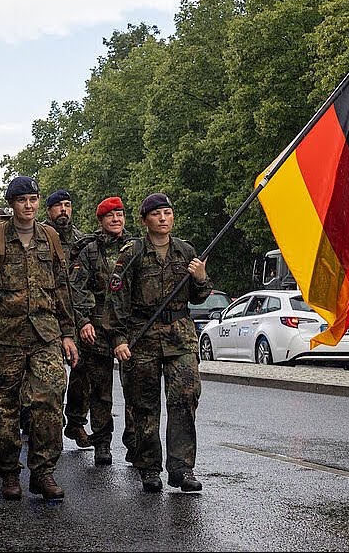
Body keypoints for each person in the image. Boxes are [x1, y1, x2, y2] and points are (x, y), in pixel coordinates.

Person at [0, 176, 79, 501]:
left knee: (50, 398)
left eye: (33, 199)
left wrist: (68, 333)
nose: (28, 206)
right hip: (4, 335)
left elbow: (62, 287)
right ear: (12, 204)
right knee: (4, 407)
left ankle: (43, 472)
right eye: (22, 200)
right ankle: (9, 472)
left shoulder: (50, 237)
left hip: (45, 333)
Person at [105, 193, 211, 493]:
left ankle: (182, 469)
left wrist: (200, 277)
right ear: (144, 221)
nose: (163, 218)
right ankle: (149, 467)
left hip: (180, 337)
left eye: (168, 212)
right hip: (143, 337)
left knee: (185, 400)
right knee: (144, 406)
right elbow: (117, 298)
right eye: (156, 214)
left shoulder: (185, 251)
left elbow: (199, 296)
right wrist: (119, 339)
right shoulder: (132, 253)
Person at [67, 195, 134, 466]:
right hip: (96, 329)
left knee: (134, 390)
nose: (116, 219)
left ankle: (135, 443)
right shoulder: (90, 251)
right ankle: (102, 442)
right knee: (100, 390)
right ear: (101, 220)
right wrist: (83, 321)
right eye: (110, 216)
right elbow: (76, 288)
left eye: (120, 214)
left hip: (129, 328)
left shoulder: (135, 247)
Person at [43, 189, 90, 451]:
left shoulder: (82, 241)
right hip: (47, 312)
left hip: (76, 312)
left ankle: (75, 421)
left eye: (68, 205)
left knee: (81, 369)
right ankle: (44, 420)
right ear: (49, 210)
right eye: (58, 205)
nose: (64, 209)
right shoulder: (40, 236)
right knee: (49, 375)